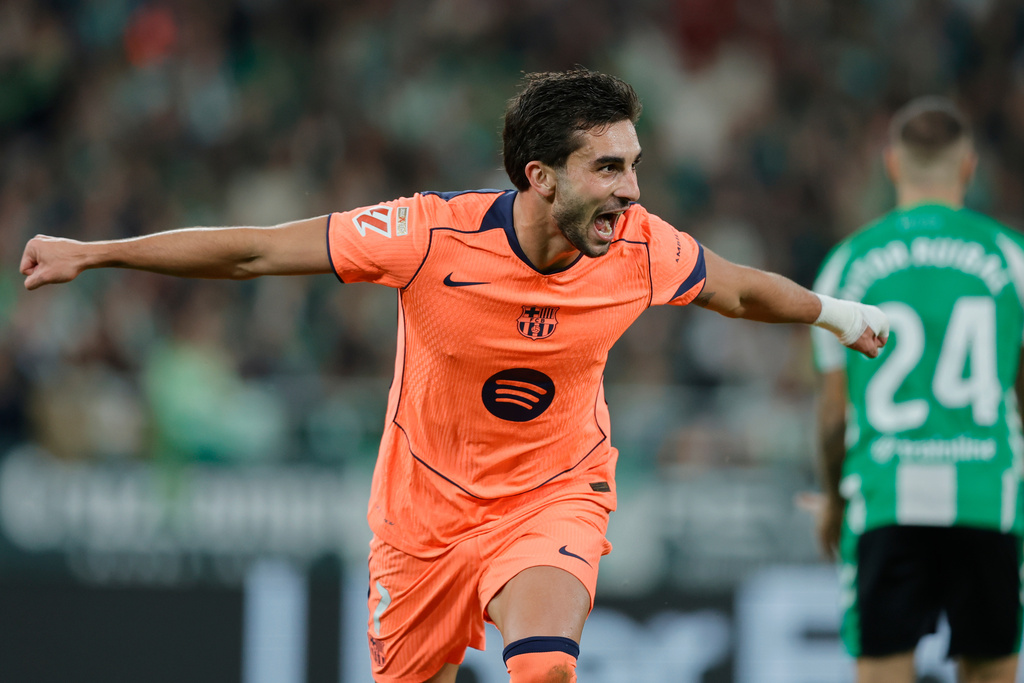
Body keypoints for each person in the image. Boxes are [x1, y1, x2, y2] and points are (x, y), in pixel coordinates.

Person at [22, 68, 887, 683]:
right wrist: (95, 253)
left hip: (552, 493)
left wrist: (842, 317)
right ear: (540, 177)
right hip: (420, 515)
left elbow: (738, 291)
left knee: (545, 665)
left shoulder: (640, 246)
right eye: (611, 168)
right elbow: (253, 251)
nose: (632, 191)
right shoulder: (428, 237)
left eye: (635, 166)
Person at [811, 96, 1024, 683]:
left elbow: (835, 416)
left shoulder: (846, 264)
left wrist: (833, 500)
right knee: (992, 669)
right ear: (969, 168)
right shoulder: (1012, 257)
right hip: (988, 499)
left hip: (884, 498)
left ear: (893, 165)